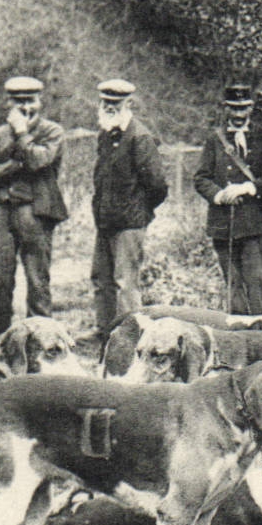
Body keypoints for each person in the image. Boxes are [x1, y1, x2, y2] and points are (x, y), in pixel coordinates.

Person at [0, 76, 67, 334]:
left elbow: (39, 161)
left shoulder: (53, 132)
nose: (26, 107)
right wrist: (14, 166)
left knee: (37, 279)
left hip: (36, 211)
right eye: (19, 102)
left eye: (31, 101)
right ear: (9, 104)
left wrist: (21, 133)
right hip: (1, 210)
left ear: (40, 102)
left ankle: (40, 338)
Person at [194, 83, 262, 315]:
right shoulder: (215, 140)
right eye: (233, 108)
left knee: (256, 282)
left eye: (243, 108)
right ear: (226, 108)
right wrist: (219, 195)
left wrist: (249, 187)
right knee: (232, 285)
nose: (238, 114)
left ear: (251, 108)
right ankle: (237, 337)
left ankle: (261, 335)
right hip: (223, 224)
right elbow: (201, 178)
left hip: (253, 224)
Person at [90, 79, 167, 334]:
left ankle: (129, 337)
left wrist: (139, 213)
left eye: (116, 103)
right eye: (106, 102)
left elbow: (157, 185)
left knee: (125, 283)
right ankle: (104, 333)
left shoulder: (140, 137)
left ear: (128, 104)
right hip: (105, 221)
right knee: (101, 281)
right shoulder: (105, 134)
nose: (110, 107)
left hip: (129, 224)